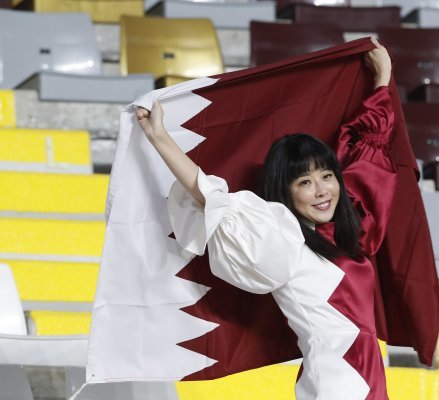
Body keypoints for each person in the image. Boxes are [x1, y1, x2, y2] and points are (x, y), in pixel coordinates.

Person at [137, 38, 396, 399]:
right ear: (285, 191)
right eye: (304, 182)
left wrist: (382, 79)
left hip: (367, 380)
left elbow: (371, 150)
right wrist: (160, 138)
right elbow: (209, 197)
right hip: (337, 385)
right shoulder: (281, 238)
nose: (321, 190)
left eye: (326, 176)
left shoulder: (348, 231)